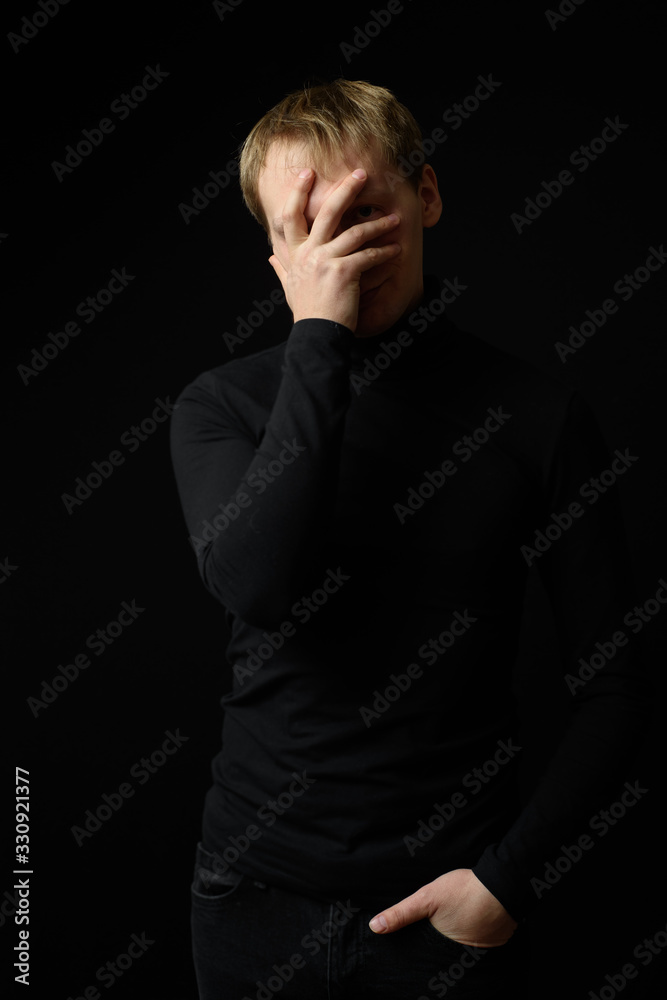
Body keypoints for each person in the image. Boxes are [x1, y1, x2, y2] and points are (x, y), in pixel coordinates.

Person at [169, 79, 650, 999]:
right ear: (274, 252)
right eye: (301, 224)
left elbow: (618, 688)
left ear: (425, 196)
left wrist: (506, 884)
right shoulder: (220, 407)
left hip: (444, 918)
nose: (336, 245)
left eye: (361, 208)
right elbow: (261, 587)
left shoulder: (536, 416)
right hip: (249, 909)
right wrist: (320, 337)